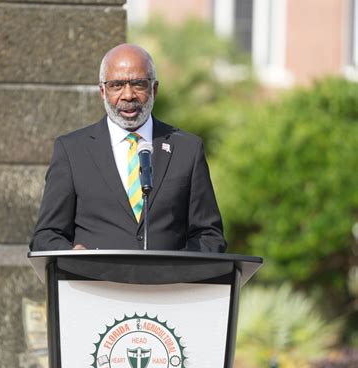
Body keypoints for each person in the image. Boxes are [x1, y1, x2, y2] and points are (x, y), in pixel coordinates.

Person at [30, 43, 226, 252]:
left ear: (154, 89)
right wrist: (75, 257)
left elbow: (209, 236)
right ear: (102, 91)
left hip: (167, 283)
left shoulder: (187, 149)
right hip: (96, 281)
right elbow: (46, 236)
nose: (128, 95)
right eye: (117, 85)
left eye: (138, 84)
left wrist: (175, 269)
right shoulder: (72, 150)